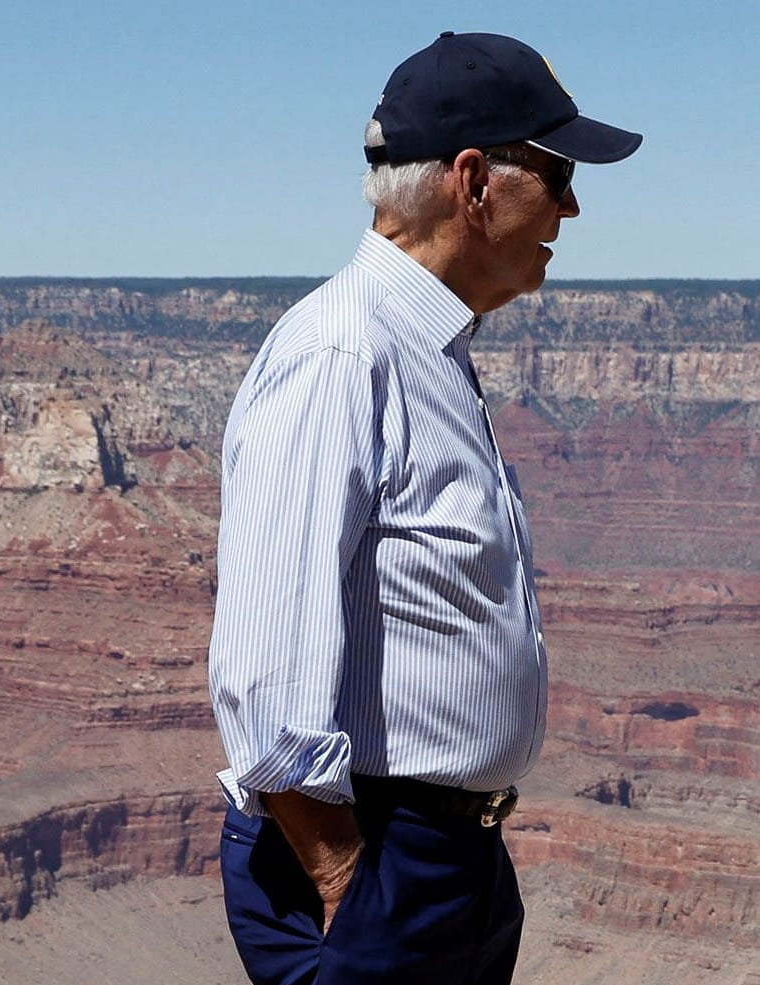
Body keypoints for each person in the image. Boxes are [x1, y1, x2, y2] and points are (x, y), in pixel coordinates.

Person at [206, 31, 641, 985]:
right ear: (474, 179)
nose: (571, 205)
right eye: (557, 171)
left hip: (447, 860)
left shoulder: (429, 351)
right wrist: (347, 879)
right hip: (375, 862)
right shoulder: (341, 355)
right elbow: (264, 662)